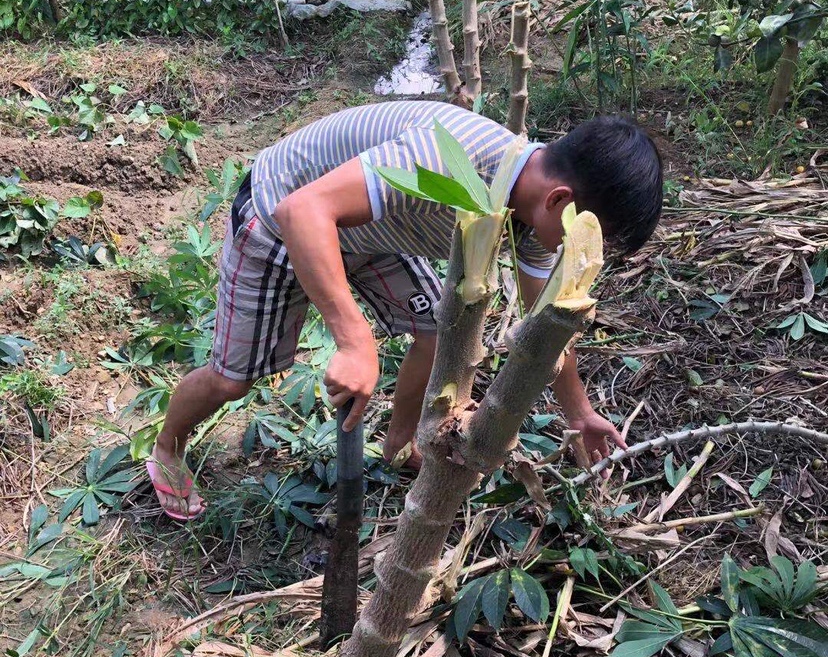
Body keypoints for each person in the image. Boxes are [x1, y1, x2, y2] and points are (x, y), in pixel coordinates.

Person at [146, 100, 663, 520]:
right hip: (281, 216)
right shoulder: (446, 157)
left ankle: (400, 442)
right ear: (560, 201)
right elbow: (303, 210)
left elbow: (546, 327)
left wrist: (581, 414)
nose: (585, 251)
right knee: (232, 379)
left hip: (370, 230)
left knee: (434, 334)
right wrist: (353, 338)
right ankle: (166, 447)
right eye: (591, 237)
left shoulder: (531, 213)